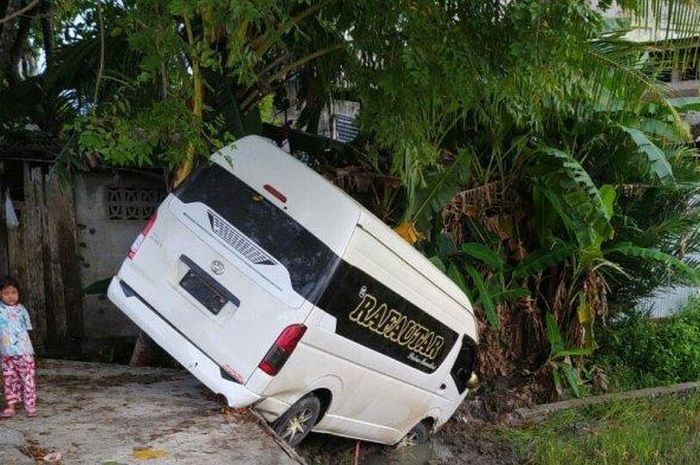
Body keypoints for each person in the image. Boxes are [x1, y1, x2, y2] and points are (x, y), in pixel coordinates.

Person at [0, 276, 37, 418]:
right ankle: (10, 406)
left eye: (14, 292)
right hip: (6, 353)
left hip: (24, 352)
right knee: (9, 380)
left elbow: (27, 330)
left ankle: (30, 406)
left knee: (27, 379)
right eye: (6, 293)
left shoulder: (22, 310)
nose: (11, 296)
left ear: (18, 293)